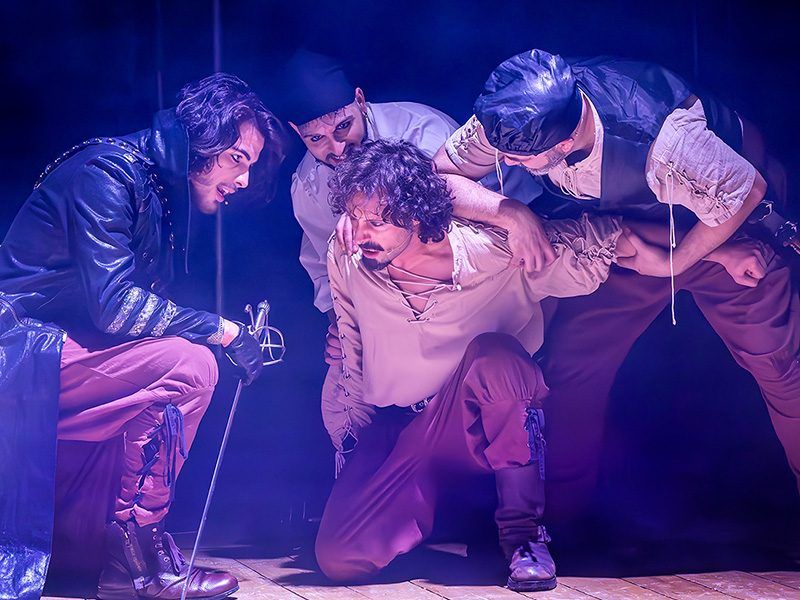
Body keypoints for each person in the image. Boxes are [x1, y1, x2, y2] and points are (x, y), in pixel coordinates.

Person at [432, 48, 800, 521]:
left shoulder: (665, 139)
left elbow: (744, 190)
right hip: (624, 237)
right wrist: (511, 212)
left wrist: (675, 262)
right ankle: (560, 523)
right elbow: (442, 174)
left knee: (779, 364)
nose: (504, 163)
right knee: (572, 364)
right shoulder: (514, 115)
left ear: (565, 143)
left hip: (721, 229)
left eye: (518, 159)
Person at [314, 138, 645, 591]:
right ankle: (436, 528)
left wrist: (712, 250)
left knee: (498, 359)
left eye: (377, 221)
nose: (361, 231)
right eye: (354, 216)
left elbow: (601, 240)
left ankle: (524, 536)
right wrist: (352, 436)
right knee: (340, 558)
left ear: (414, 216)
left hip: (472, 423)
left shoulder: (487, 250)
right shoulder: (348, 253)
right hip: (406, 429)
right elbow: (349, 340)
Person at [0, 73, 283, 599]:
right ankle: (139, 556)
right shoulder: (107, 171)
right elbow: (115, 307)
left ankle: (114, 558)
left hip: (52, 351)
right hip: (16, 352)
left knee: (169, 368)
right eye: (237, 158)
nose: (244, 180)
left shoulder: (155, 188)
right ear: (203, 139)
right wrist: (222, 330)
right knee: (189, 365)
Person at [283, 50, 540, 363]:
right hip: (397, 312)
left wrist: (517, 216)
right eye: (316, 139)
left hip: (496, 258)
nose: (336, 148)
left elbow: (447, 217)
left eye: (343, 126)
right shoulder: (307, 186)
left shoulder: (419, 131)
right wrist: (341, 326)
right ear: (297, 132)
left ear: (360, 101)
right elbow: (324, 267)